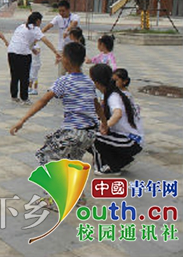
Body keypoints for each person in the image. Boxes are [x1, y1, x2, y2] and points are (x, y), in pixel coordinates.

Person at [10, 42, 102, 208]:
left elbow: (43, 100)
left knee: (46, 156)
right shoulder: (89, 82)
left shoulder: (64, 81)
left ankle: (53, 198)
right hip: (90, 134)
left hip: (73, 132)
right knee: (73, 161)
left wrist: (22, 120)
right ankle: (79, 197)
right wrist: (105, 124)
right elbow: (97, 106)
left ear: (66, 60)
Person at [90, 64, 143, 176]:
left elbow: (117, 114)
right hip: (127, 138)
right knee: (88, 129)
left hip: (131, 141)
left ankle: (109, 167)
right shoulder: (113, 93)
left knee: (93, 136)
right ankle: (121, 161)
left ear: (97, 82)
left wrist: (105, 126)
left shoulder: (113, 96)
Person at [7, 12, 61, 104]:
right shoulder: (35, 29)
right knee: (24, 77)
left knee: (15, 75)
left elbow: (24, 40)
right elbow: (45, 41)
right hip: (23, 54)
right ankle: (24, 98)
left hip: (11, 52)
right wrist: (55, 52)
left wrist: (32, 49)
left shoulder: (21, 26)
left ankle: (14, 96)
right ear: (38, 21)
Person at [42, 0, 80, 76]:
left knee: (74, 70)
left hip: (74, 48)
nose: (61, 13)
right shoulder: (58, 18)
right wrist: (40, 33)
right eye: (59, 11)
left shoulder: (75, 17)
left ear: (68, 10)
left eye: (63, 11)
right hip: (62, 48)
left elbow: (74, 23)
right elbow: (49, 25)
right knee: (61, 71)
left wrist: (67, 31)